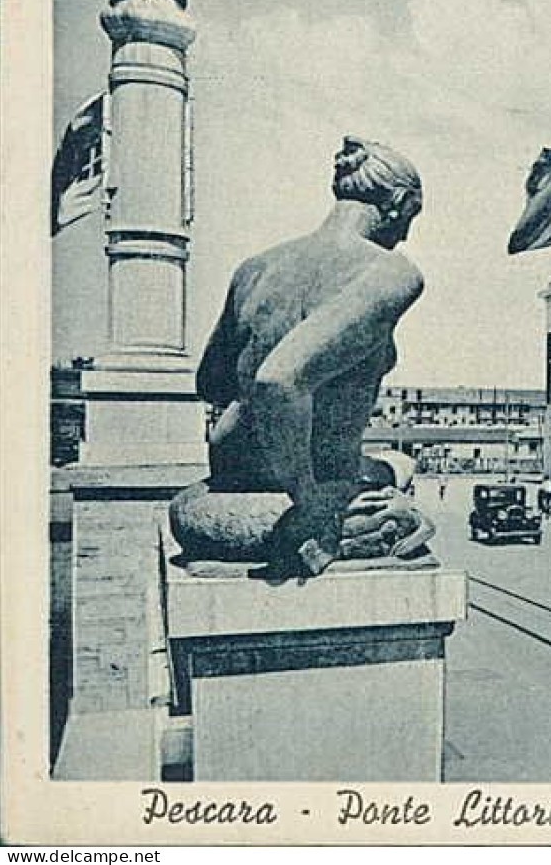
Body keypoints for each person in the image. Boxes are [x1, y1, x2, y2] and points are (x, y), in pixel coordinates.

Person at [181, 136, 431, 577]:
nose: (407, 232)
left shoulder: (256, 266)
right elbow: (279, 380)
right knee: (401, 477)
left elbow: (212, 383)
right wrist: (309, 496)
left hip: (228, 478)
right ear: (397, 202)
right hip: (304, 483)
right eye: (412, 215)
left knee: (392, 467)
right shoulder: (390, 271)